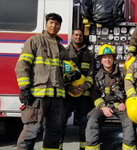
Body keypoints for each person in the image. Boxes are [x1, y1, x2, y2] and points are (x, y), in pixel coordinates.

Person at [15, 13, 70, 150]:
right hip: (38, 96)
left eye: (57, 23)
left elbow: (66, 72)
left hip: (57, 98)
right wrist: (24, 88)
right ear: (46, 24)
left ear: (59, 27)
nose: (53, 25)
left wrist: (70, 76)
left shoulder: (62, 49)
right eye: (51, 22)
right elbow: (22, 66)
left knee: (54, 132)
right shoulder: (34, 41)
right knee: (31, 130)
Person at [85, 44, 136, 150]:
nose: (107, 59)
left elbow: (129, 89)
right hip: (103, 106)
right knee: (92, 121)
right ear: (100, 59)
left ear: (113, 58)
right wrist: (103, 107)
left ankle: (129, 148)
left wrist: (125, 102)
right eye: (104, 57)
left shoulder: (122, 74)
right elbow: (94, 94)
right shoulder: (97, 76)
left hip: (119, 105)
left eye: (109, 57)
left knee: (129, 121)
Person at [59, 28, 95, 150]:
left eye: (80, 35)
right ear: (72, 37)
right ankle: (58, 147)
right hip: (67, 94)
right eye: (76, 35)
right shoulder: (63, 52)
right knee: (61, 122)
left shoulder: (90, 54)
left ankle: (83, 148)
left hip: (83, 95)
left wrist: (84, 87)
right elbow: (59, 73)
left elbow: (91, 74)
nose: (78, 37)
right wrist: (69, 87)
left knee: (84, 124)